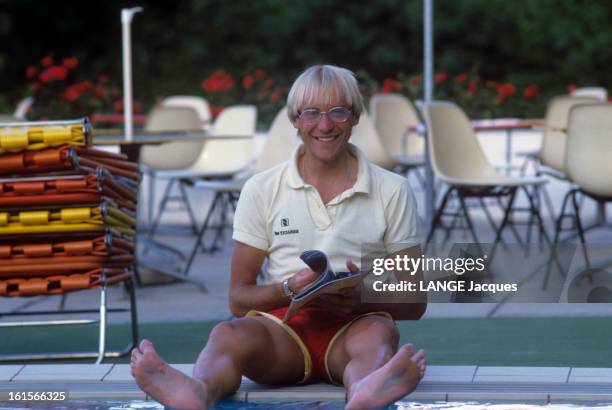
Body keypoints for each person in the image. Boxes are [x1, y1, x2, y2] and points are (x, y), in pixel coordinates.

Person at [131, 64, 427, 410]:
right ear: (295, 120)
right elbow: (238, 300)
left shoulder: (393, 189)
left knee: (380, 333)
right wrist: (288, 289)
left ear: (355, 117)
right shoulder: (262, 188)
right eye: (312, 113)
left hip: (356, 326)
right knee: (227, 334)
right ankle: (199, 390)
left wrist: (362, 299)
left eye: (338, 112)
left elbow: (415, 300)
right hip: (283, 330)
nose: (325, 124)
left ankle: (364, 390)